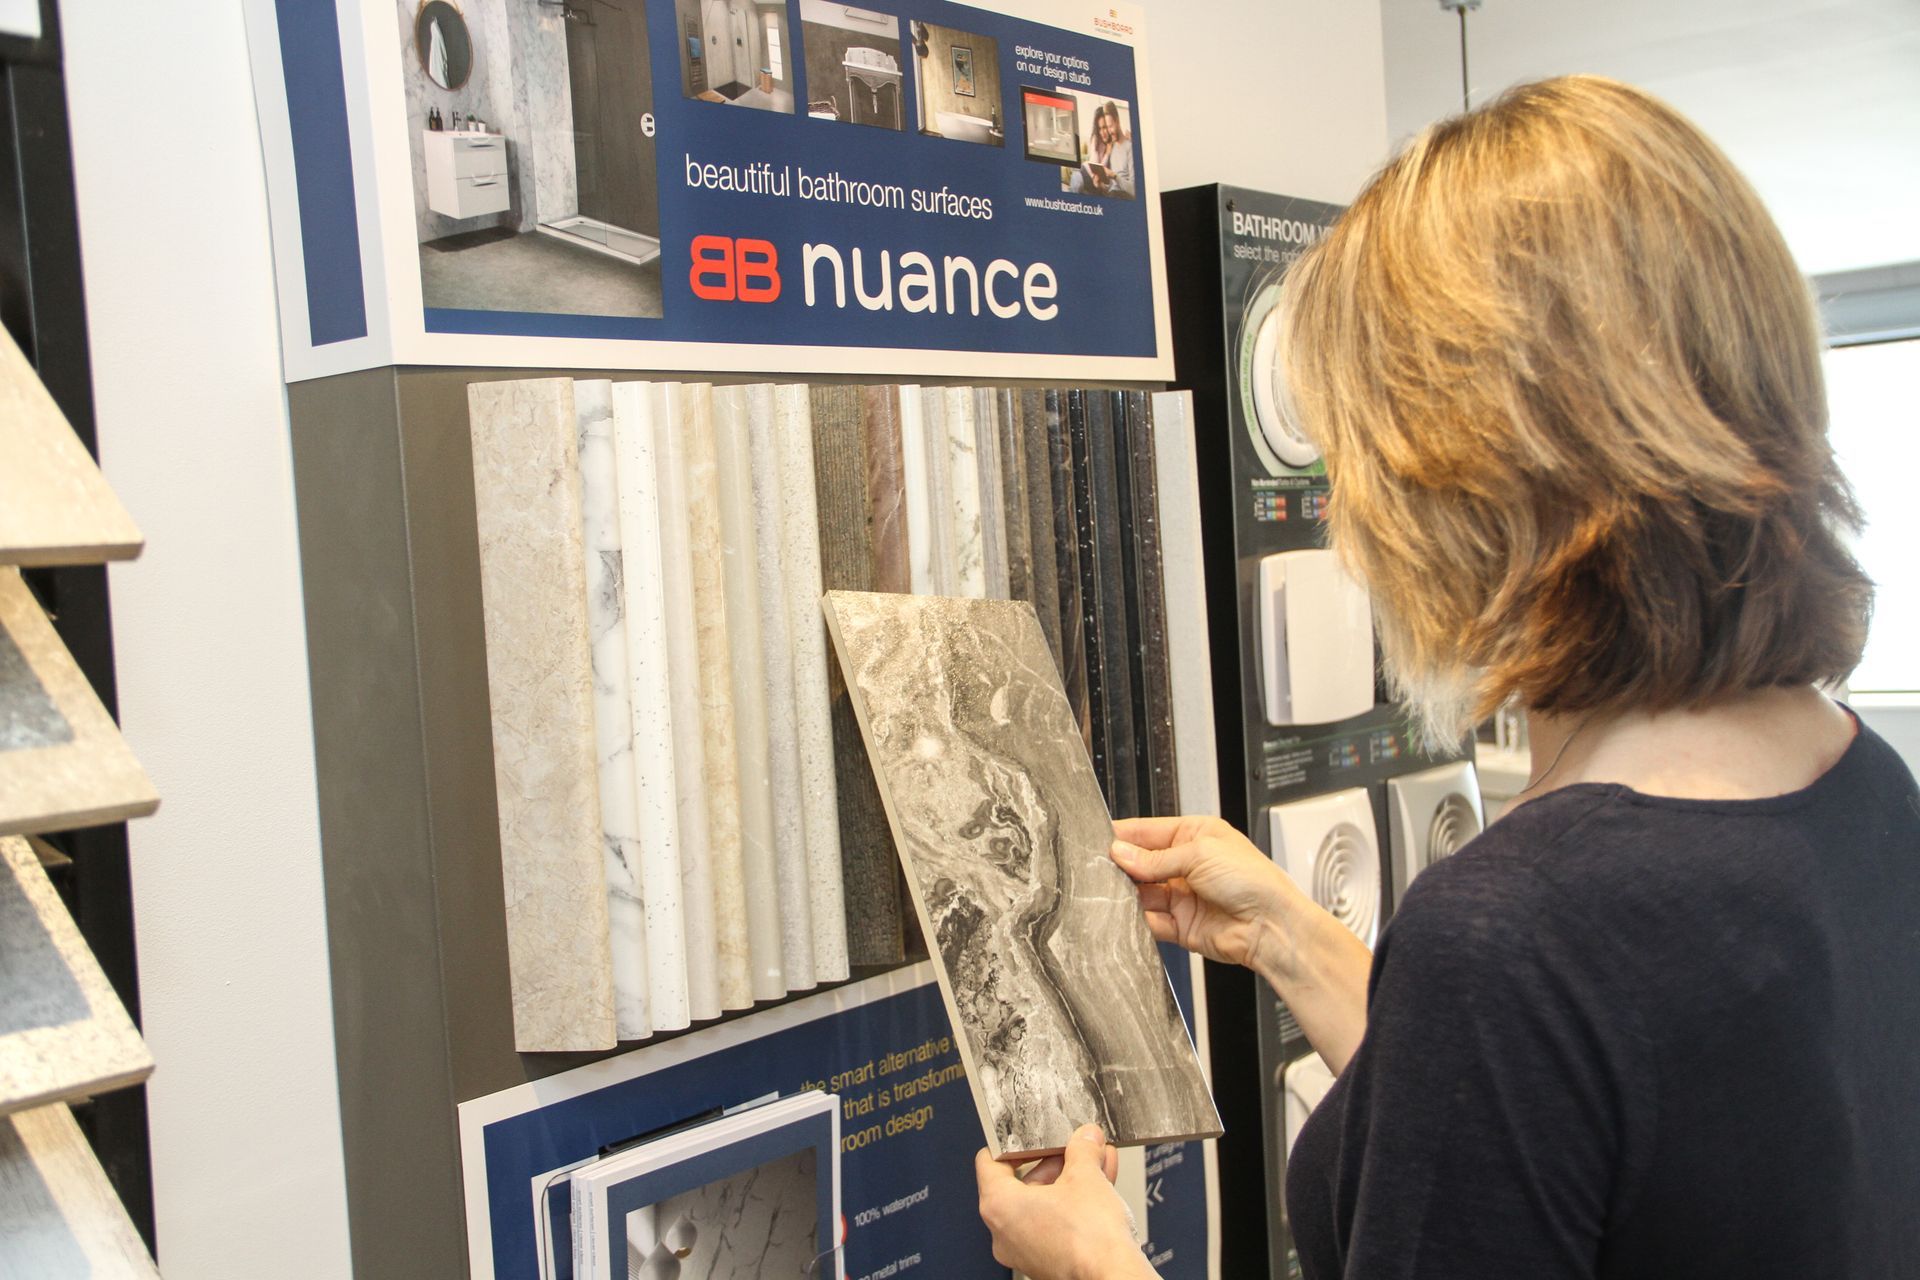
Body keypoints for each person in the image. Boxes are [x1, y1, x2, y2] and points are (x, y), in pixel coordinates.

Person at [976, 74, 1920, 1279]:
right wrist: (1297, 943)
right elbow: (1594, 1132)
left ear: (1466, 467)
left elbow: (1543, 1033)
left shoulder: (1518, 933)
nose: (1347, 504)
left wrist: (1090, 1264)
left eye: (1359, 445)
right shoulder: (1860, 782)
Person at [1068, 101, 1135, 199]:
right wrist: (1107, 154)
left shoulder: (1122, 146)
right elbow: (1097, 168)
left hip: (1107, 188)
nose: (1105, 132)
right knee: (1077, 181)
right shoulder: (1099, 140)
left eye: (1107, 127)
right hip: (1087, 172)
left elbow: (1130, 188)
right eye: (1101, 128)